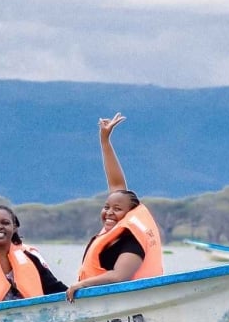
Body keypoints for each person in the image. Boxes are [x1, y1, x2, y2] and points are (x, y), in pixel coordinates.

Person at [64, 114, 164, 301]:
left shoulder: (132, 239)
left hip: (127, 302)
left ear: (129, 213)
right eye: (106, 207)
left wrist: (82, 284)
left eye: (117, 209)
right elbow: (116, 184)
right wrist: (105, 140)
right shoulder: (115, 230)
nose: (109, 212)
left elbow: (120, 276)